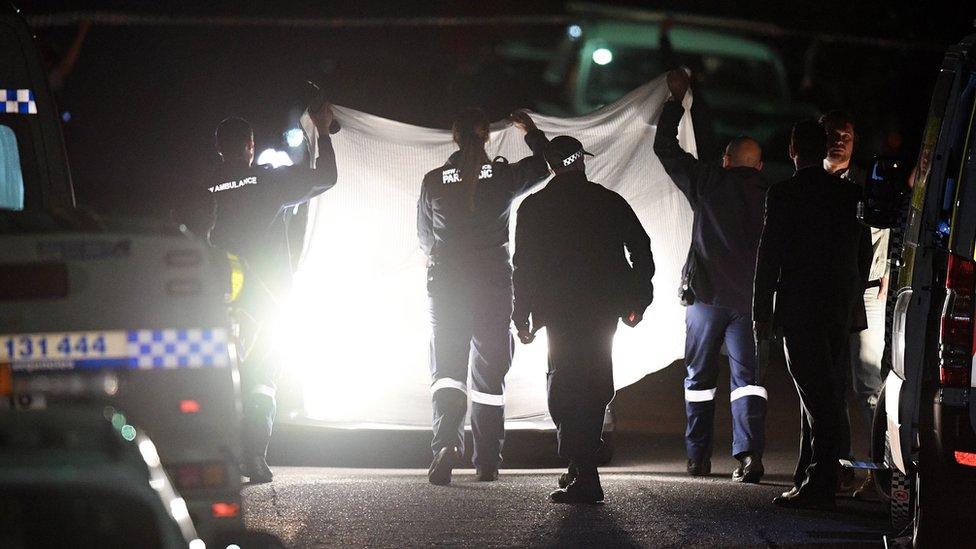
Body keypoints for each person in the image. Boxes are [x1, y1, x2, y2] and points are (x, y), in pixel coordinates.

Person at [512, 135, 655, 503]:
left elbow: (523, 267)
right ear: (581, 162)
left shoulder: (534, 206)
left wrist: (522, 313)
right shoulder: (608, 201)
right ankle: (581, 466)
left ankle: (584, 471)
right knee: (594, 382)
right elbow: (641, 248)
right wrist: (638, 299)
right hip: (602, 307)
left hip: (558, 310)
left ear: (551, 166)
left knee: (563, 384)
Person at [205, 103, 339, 483]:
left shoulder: (201, 188)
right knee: (263, 377)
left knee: (221, 378)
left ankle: (223, 455)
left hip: (216, 300)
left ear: (218, 146)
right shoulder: (269, 181)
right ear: (250, 146)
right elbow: (326, 177)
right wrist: (324, 133)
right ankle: (255, 455)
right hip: (268, 301)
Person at [417, 108, 549, 485]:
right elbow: (545, 165)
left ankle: (445, 444)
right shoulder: (505, 176)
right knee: (489, 375)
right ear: (487, 137)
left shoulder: (433, 181)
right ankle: (488, 461)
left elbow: (425, 239)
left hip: (446, 287)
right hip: (492, 285)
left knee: (447, 371)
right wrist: (531, 130)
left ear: (455, 138)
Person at [654, 68, 769, 482]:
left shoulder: (707, 180)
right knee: (748, 381)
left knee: (699, 379)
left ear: (725, 159)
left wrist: (674, 102)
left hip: (705, 298)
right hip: (750, 303)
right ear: (758, 167)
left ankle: (697, 458)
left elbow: (664, 148)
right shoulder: (772, 196)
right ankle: (749, 456)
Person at [754, 119, 871, 509]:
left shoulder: (783, 193)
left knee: (815, 394)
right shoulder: (848, 194)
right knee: (829, 392)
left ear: (791, 151)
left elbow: (769, 255)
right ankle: (819, 474)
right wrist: (850, 296)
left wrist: (762, 310)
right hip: (837, 308)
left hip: (799, 306)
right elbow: (862, 253)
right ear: (821, 150)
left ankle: (819, 481)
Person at [820, 110, 890, 500]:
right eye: (833, 134)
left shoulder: (866, 183)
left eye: (846, 135)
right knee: (824, 383)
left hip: (866, 289)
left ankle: (877, 472)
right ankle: (834, 467)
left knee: (867, 382)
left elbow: (889, 226)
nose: (839, 140)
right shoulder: (811, 182)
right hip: (827, 288)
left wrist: (888, 273)